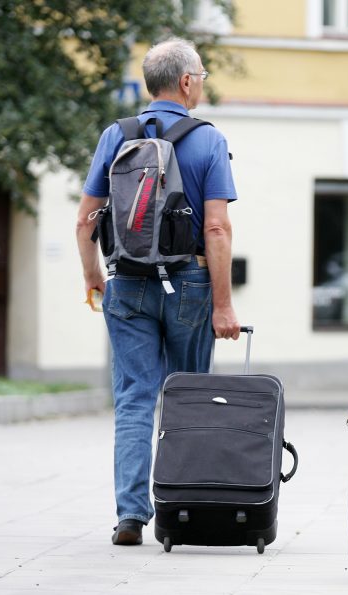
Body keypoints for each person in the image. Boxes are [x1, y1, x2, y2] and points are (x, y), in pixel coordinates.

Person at [75, 37, 241, 546]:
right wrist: (223, 303)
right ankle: (180, 509)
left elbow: (84, 221)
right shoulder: (207, 140)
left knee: (133, 399)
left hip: (126, 281)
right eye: (203, 78)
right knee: (187, 397)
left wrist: (92, 278)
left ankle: (131, 516)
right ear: (187, 82)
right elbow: (216, 229)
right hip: (189, 281)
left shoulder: (115, 134)